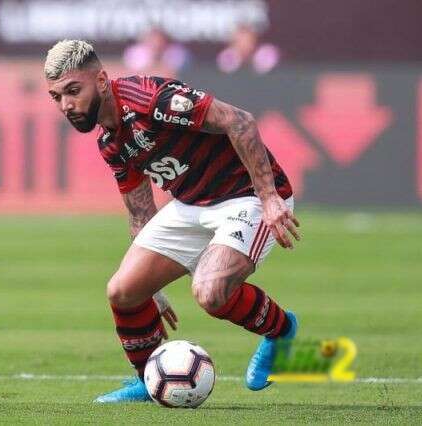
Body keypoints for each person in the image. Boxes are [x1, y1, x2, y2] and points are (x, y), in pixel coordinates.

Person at [44, 40, 300, 403]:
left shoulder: (151, 100)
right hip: (191, 203)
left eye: (73, 91)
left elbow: (239, 121)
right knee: (123, 291)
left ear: (100, 80)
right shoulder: (110, 142)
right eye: (56, 97)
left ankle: (282, 331)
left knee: (210, 293)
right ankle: (149, 381)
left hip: (246, 196)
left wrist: (269, 198)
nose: (66, 105)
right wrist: (152, 287)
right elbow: (140, 212)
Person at [122, 27, 191, 75]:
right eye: (153, 40)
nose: (156, 43)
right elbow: (132, 71)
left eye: (159, 40)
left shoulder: (176, 52)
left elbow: (173, 73)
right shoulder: (136, 52)